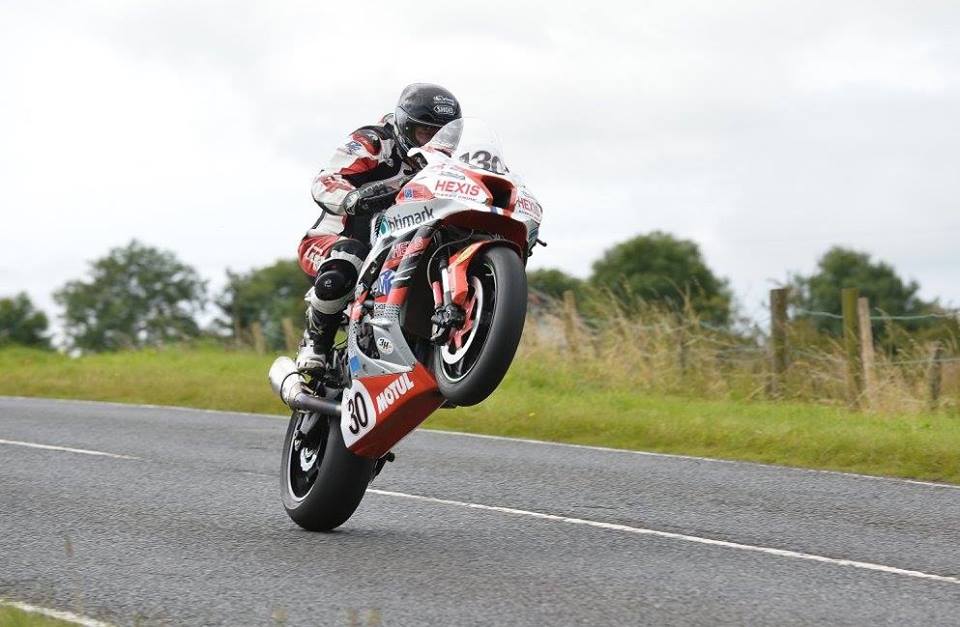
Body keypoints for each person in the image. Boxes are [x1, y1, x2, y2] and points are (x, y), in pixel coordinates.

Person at [295, 84, 462, 372]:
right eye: (425, 133)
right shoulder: (374, 142)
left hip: (399, 249)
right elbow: (325, 180)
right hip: (333, 238)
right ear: (404, 126)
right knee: (347, 259)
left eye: (441, 135)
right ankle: (315, 343)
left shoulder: (446, 166)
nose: (432, 143)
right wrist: (351, 198)